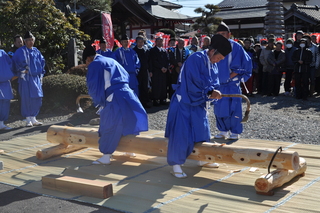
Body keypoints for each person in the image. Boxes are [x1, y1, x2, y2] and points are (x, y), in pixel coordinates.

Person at [165, 34, 232, 178]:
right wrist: (209, 92)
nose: (218, 61)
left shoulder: (212, 64)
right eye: (219, 58)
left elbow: (214, 82)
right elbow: (192, 81)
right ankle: (176, 164)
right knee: (181, 133)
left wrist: (215, 91)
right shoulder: (196, 59)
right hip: (185, 101)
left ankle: (203, 159)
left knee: (202, 131)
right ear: (213, 51)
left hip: (199, 102)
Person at [84, 45, 148, 165]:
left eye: (86, 63)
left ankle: (106, 156)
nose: (87, 66)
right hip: (128, 93)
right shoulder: (111, 60)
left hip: (114, 96)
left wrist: (99, 102)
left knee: (109, 124)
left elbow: (93, 87)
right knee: (130, 120)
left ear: (88, 59)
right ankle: (130, 150)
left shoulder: (95, 63)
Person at [214, 22, 252, 140]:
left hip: (232, 83)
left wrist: (228, 77)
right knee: (219, 107)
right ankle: (223, 130)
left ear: (229, 34)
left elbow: (242, 65)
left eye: (223, 33)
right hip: (218, 83)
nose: (221, 36)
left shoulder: (236, 46)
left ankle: (235, 131)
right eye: (218, 34)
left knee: (234, 107)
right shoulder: (214, 47)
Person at [12, 31, 45, 127]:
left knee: (37, 97)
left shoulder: (36, 51)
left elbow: (42, 63)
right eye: (28, 40)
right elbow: (15, 63)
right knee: (26, 98)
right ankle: (28, 119)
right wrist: (21, 71)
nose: (30, 42)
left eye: (32, 40)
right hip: (25, 78)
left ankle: (34, 117)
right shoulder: (20, 51)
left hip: (36, 78)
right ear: (25, 41)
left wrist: (41, 74)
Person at [149, 36, 169, 106]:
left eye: (161, 41)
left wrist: (166, 67)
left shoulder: (164, 51)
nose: (160, 42)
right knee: (156, 85)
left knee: (163, 85)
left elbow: (167, 60)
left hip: (163, 71)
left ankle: (162, 99)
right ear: (156, 42)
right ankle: (155, 100)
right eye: (158, 41)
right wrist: (161, 67)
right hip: (156, 70)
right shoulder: (152, 50)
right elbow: (153, 61)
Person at [133, 35, 152, 108]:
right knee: (139, 86)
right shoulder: (134, 51)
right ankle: (139, 102)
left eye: (142, 42)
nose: (140, 43)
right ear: (136, 42)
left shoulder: (146, 50)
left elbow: (149, 61)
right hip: (138, 72)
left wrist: (150, 71)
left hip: (145, 71)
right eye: (139, 42)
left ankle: (145, 101)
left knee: (145, 86)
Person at [0, 50, 14, 130]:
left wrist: (8, 74)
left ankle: (1, 123)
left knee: (4, 102)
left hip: (5, 82)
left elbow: (10, 64)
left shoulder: (3, 53)